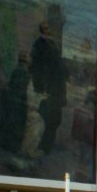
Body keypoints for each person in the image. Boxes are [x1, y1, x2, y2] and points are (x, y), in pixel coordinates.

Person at [29, 22, 67, 155]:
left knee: (55, 119)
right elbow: (37, 67)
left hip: (56, 89)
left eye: (49, 28)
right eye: (46, 28)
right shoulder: (39, 44)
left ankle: (46, 147)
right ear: (42, 30)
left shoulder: (52, 44)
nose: (48, 30)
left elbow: (59, 66)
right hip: (48, 88)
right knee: (45, 118)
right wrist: (41, 87)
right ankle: (42, 146)